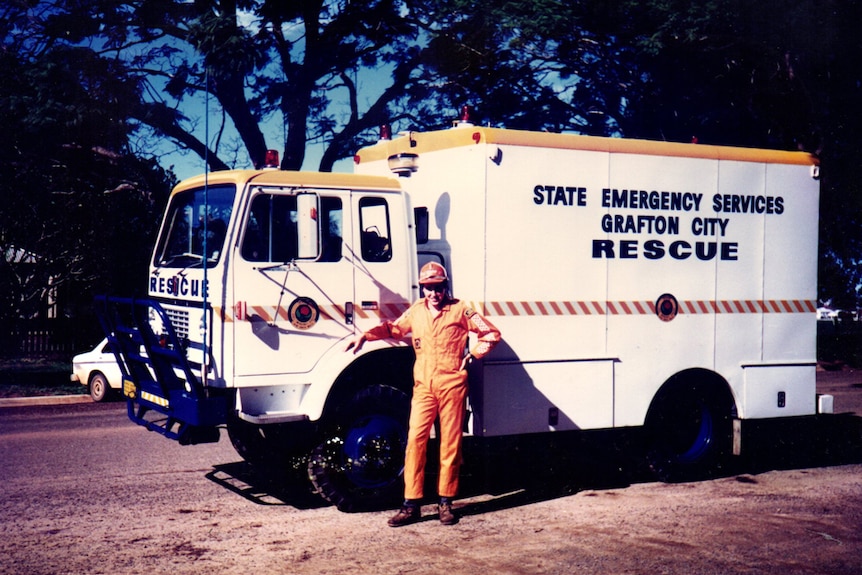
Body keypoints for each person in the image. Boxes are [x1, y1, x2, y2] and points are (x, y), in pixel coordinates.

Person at [346, 261, 501, 526]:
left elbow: (491, 334)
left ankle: (445, 503)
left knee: (449, 445)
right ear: (423, 289)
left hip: (452, 385)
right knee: (415, 441)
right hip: (424, 388)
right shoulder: (416, 311)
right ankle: (411, 505)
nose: (434, 293)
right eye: (428, 288)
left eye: (438, 287)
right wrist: (366, 335)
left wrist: (473, 354)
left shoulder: (461, 310)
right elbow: (394, 329)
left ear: (445, 286)